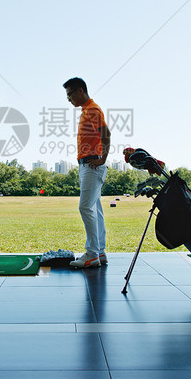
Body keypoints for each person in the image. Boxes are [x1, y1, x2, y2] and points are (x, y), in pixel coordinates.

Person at [64, 77, 111, 269]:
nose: (69, 99)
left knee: (85, 208)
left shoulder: (92, 109)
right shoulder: (86, 110)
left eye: (70, 95)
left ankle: (92, 254)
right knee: (95, 210)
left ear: (80, 91)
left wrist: (103, 159)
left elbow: (106, 133)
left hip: (92, 165)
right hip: (87, 164)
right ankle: (99, 252)